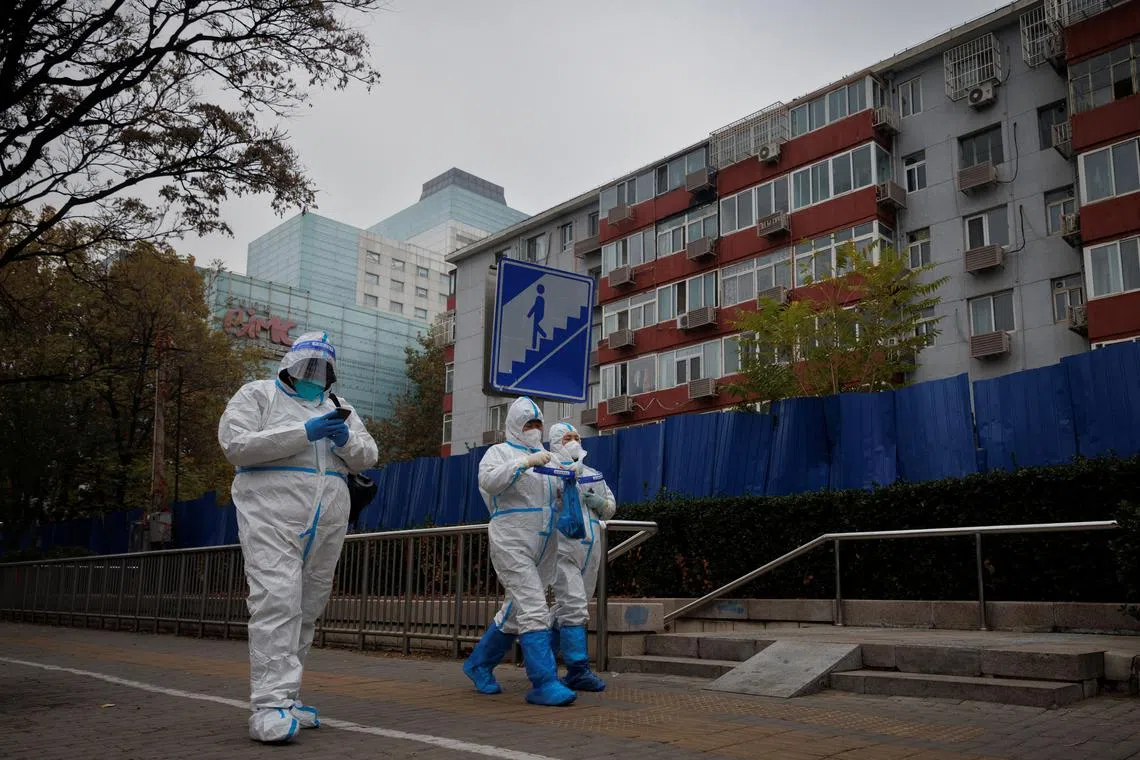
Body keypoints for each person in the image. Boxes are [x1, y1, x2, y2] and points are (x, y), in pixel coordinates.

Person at [218, 332, 378, 743]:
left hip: (327, 519)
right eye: (308, 366)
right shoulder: (258, 395)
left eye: (323, 369)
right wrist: (303, 432)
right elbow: (236, 445)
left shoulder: (339, 407)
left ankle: (288, 697)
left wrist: (346, 440)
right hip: (271, 514)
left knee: (307, 607)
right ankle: (268, 706)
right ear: (290, 363)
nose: (314, 375)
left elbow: (369, 455)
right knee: (277, 601)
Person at [462, 396, 576, 707]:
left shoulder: (550, 458)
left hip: (545, 544)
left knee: (517, 610)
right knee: (534, 608)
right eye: (528, 424)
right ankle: (544, 682)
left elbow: (560, 500)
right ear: (514, 425)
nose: (534, 429)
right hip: (511, 541)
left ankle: (479, 664)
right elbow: (489, 481)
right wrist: (523, 463)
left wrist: (573, 481)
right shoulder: (498, 453)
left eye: (538, 424)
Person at [547, 422, 616, 692]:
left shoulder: (593, 475)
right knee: (574, 605)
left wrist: (600, 504)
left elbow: (610, 507)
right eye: (567, 438)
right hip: (563, 549)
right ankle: (577, 669)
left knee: (573, 607)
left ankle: (541, 657)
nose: (574, 441)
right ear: (555, 443)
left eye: (576, 437)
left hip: (591, 549)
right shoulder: (548, 474)